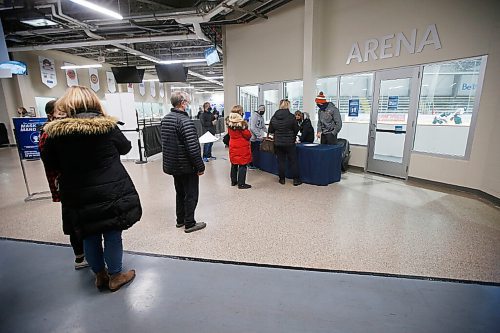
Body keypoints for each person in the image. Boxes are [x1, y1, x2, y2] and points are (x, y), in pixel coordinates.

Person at [41, 86, 141, 292]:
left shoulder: (55, 131)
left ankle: (100, 275)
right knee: (112, 232)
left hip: (76, 192)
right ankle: (115, 275)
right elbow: (125, 147)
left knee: (88, 233)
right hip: (110, 188)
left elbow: (50, 161)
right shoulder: (107, 127)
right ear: (95, 103)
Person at [38, 99, 88, 270]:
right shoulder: (49, 133)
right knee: (74, 221)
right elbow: (51, 163)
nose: (66, 113)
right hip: (67, 184)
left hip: (73, 183)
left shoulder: (62, 130)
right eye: (61, 110)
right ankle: (80, 256)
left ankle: (86, 253)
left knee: (81, 219)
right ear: (52, 114)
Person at [161, 91, 206, 233]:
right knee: (191, 194)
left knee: (179, 193)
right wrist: (200, 166)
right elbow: (193, 148)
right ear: (182, 103)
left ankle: (180, 220)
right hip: (186, 166)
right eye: (187, 101)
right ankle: (189, 223)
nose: (188, 103)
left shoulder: (166, 119)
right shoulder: (185, 121)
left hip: (173, 165)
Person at [268, 99, 302, 186]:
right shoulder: (291, 116)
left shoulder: (274, 117)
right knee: (293, 161)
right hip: (290, 143)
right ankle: (296, 180)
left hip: (278, 143)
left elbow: (270, 130)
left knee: (280, 161)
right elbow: (296, 129)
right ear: (288, 106)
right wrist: (293, 135)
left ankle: (282, 179)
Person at [227, 105, 252, 189]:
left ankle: (233, 181)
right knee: (242, 165)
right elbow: (248, 135)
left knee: (234, 164)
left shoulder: (229, 122)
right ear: (239, 113)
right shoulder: (241, 124)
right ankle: (241, 184)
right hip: (242, 147)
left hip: (233, 145)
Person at [249, 105, 266, 169]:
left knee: (255, 152)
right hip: (252, 137)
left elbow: (263, 127)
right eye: (262, 111)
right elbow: (252, 128)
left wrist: (270, 132)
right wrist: (259, 135)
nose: (263, 112)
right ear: (259, 110)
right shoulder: (254, 116)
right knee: (252, 151)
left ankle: (254, 164)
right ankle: (250, 164)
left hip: (256, 138)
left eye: (264, 111)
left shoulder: (261, 117)